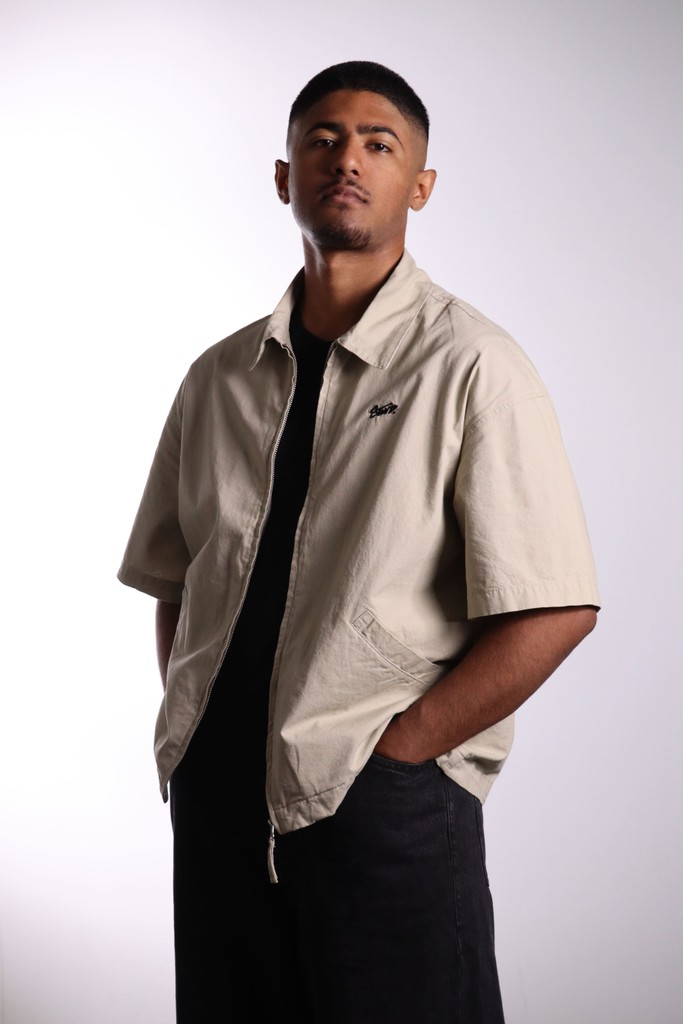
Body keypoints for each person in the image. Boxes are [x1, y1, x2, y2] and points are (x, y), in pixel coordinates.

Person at [117, 60, 600, 1024]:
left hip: (379, 802)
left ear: (419, 186)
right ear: (283, 176)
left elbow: (555, 608)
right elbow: (176, 577)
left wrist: (399, 754)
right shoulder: (217, 377)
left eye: (380, 145)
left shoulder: (472, 365)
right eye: (323, 140)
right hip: (217, 803)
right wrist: (194, 724)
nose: (348, 160)